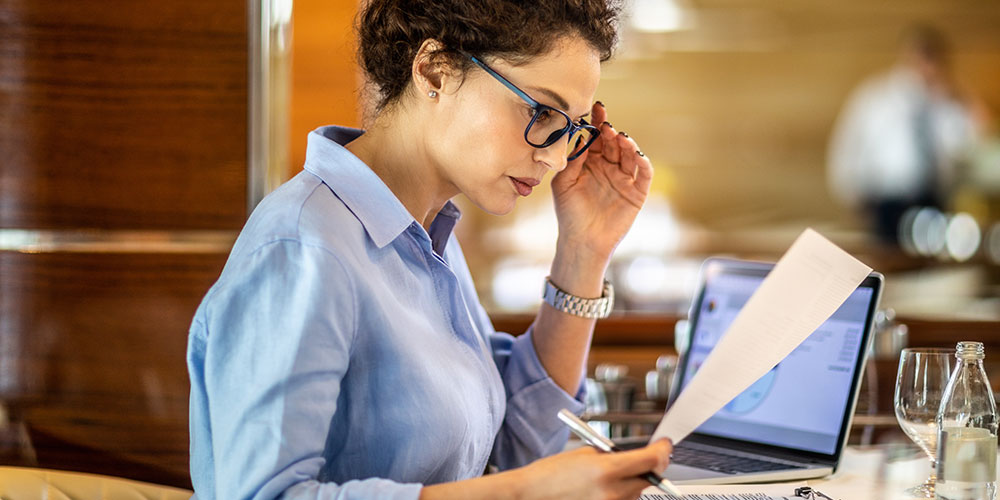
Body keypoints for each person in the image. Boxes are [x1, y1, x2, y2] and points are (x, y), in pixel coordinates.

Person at [186, 1, 672, 499]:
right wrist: (520, 494)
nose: (552, 155)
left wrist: (583, 251)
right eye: (541, 112)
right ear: (434, 71)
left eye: (571, 129)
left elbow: (509, 452)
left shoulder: (427, 235)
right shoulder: (303, 247)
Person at [827, 24, 976, 245]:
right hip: (886, 203)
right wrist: (852, 196)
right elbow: (848, 148)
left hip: (935, 201)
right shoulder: (875, 97)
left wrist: (956, 100)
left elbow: (966, 149)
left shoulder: (949, 105)